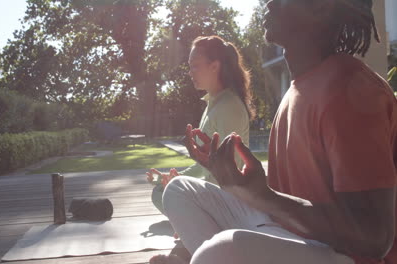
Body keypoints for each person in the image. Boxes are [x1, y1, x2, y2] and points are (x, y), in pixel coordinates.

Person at [150, 0, 397, 263]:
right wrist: (232, 178)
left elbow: (374, 237)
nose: (269, 2)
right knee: (178, 191)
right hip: (289, 233)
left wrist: (264, 197)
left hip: (343, 255)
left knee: (219, 251)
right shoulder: (299, 87)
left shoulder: (350, 91)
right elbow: (295, 194)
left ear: (321, 7)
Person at [146, 35, 254, 215]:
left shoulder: (228, 107)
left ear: (214, 66)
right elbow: (205, 165)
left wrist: (183, 188)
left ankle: (199, 219)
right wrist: (173, 179)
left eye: (195, 65)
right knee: (160, 191)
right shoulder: (214, 104)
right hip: (213, 195)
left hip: (228, 204)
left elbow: (228, 173)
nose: (190, 72)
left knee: (162, 195)